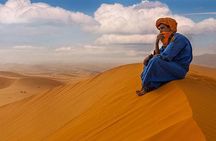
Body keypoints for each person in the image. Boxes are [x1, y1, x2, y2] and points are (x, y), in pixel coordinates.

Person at [136, 17, 193, 96]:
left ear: (170, 28)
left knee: (155, 60)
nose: (160, 31)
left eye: (162, 28)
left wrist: (153, 57)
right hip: (170, 67)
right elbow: (159, 55)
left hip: (179, 70)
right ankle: (151, 83)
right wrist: (156, 43)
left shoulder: (178, 39)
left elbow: (166, 56)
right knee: (149, 61)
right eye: (159, 29)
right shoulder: (168, 41)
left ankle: (147, 87)